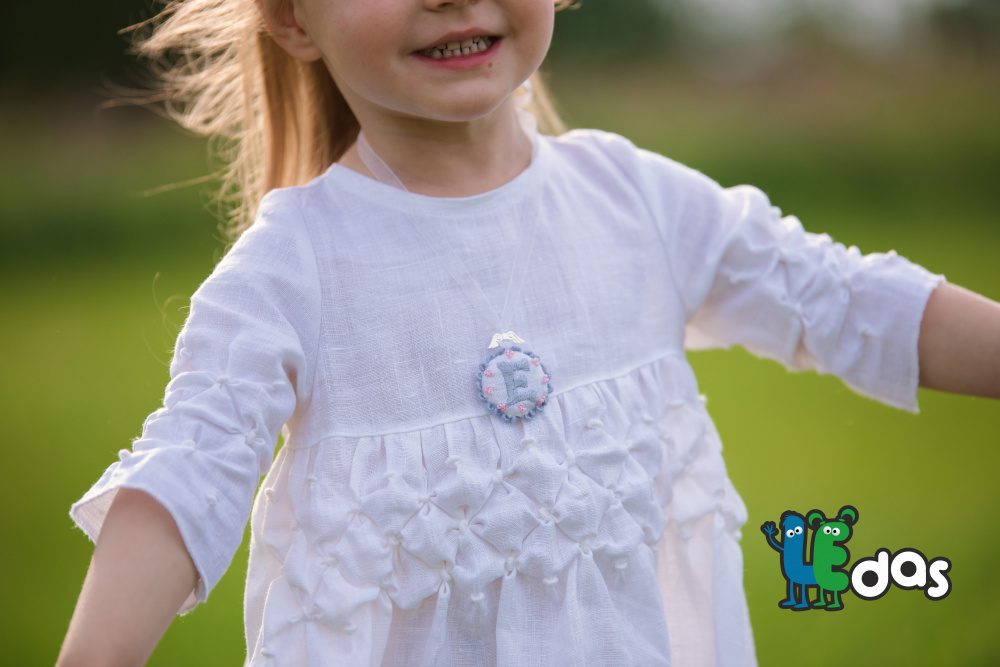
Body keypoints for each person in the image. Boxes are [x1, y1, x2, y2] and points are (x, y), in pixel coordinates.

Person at [56, 0, 1000, 665]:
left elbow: (846, 300)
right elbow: (191, 473)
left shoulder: (636, 203)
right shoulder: (294, 269)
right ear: (294, 17)